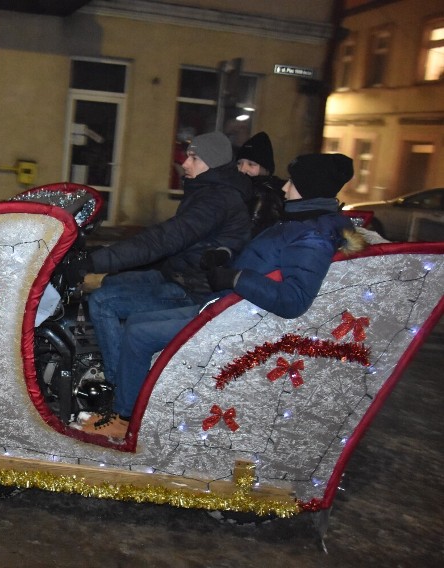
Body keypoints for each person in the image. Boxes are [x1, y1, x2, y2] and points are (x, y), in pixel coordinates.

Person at [78, 153, 366, 439]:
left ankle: (126, 420)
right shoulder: (300, 222)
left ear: (309, 187)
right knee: (137, 324)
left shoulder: (311, 236)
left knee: (139, 334)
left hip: (241, 320)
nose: (283, 187)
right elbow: (265, 261)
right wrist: (226, 257)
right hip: (228, 305)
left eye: (292, 181)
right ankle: (132, 405)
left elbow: (293, 300)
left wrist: (237, 278)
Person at [68, 131, 253, 400]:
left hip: (194, 289)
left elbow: (163, 240)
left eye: (194, 157)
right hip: (177, 276)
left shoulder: (217, 200)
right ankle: (111, 367)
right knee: (107, 285)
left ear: (211, 163)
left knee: (104, 302)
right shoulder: (208, 191)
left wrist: (93, 261)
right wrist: (95, 255)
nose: (185, 163)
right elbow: (165, 241)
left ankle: (120, 390)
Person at [236, 131, 285, 236]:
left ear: (265, 169)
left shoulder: (264, 195)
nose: (243, 169)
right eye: (239, 163)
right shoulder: (237, 187)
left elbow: (251, 232)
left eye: (251, 164)